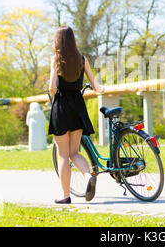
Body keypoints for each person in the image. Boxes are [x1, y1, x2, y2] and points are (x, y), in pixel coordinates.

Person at [48, 25, 104, 204]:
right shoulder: (82, 59)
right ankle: (88, 176)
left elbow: (52, 88)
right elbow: (96, 86)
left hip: (62, 106)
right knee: (75, 152)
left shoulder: (56, 59)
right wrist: (103, 89)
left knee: (63, 155)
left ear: (58, 41)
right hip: (78, 106)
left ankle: (65, 196)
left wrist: (58, 99)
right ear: (72, 40)